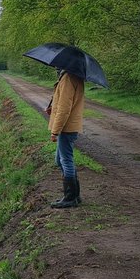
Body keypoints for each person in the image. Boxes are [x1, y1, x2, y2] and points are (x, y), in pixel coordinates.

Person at [47, 69, 85, 208]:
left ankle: (70, 197)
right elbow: (62, 103)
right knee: (60, 160)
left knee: (66, 160)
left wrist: (55, 131)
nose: (56, 67)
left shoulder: (68, 78)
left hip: (66, 127)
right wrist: (52, 107)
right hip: (68, 125)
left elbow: (64, 108)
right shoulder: (71, 76)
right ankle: (75, 195)